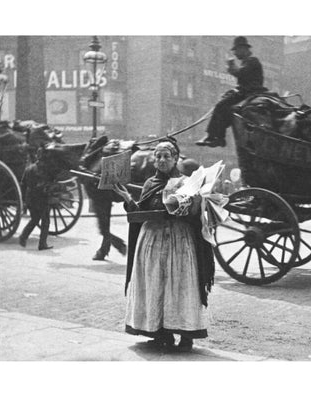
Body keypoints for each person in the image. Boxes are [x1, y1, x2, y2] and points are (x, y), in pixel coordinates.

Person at [113, 140, 215, 352]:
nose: (161, 160)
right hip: (152, 241)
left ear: (176, 159)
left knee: (181, 286)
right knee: (155, 286)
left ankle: (186, 335)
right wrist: (126, 198)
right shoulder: (150, 184)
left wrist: (193, 205)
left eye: (166, 156)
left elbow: (197, 214)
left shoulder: (187, 183)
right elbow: (139, 213)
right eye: (157, 156)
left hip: (180, 241)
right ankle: (160, 333)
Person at [196, 36, 267, 147]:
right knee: (224, 107)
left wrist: (231, 66)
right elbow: (243, 81)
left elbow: (241, 74)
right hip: (246, 91)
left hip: (250, 92)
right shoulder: (248, 62)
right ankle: (218, 137)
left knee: (220, 105)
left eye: (236, 51)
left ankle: (213, 136)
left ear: (243, 49)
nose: (235, 54)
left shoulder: (252, 61)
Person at [18, 158, 55, 250]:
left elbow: (23, 184)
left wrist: (24, 200)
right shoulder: (45, 170)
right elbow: (49, 183)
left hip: (30, 198)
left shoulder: (29, 169)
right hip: (42, 198)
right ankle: (42, 244)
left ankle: (23, 237)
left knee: (34, 219)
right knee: (45, 221)